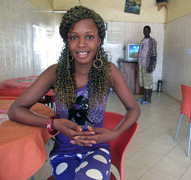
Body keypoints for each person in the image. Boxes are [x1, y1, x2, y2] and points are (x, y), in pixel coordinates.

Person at [8, 6, 140, 180]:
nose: (81, 44)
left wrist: (115, 133)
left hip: (96, 150)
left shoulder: (109, 72)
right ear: (66, 41)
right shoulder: (55, 72)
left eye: (89, 37)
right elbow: (15, 110)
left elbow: (133, 108)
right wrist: (54, 124)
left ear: (99, 40)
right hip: (64, 152)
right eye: (74, 37)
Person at [137, 25, 157, 104]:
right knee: (143, 82)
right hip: (141, 65)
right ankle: (144, 97)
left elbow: (154, 54)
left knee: (149, 83)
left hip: (148, 65)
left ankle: (149, 99)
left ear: (150, 31)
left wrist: (151, 65)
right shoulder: (142, 40)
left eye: (147, 30)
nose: (145, 32)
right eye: (144, 30)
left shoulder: (152, 41)